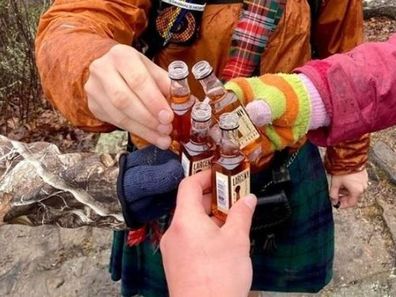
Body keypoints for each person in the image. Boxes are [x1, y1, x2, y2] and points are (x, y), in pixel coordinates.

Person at [35, 0, 369, 296]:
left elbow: (344, 54)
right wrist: (87, 59)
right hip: (176, 170)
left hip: (279, 159)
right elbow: (77, 18)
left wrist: (349, 159)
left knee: (247, 274)